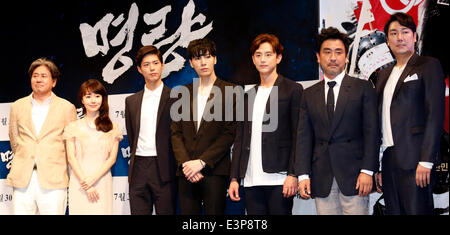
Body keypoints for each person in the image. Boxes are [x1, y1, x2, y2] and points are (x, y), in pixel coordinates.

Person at [296, 27, 379, 215]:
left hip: (355, 176)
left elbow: (372, 133)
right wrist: (302, 175)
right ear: (318, 57)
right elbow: (303, 138)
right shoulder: (308, 94)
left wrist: (367, 171)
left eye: (338, 52)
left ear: (346, 56)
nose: (333, 58)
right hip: (321, 177)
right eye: (327, 52)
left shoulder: (363, 88)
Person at [375, 12, 445, 215]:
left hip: (416, 159)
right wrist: (379, 165)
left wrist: (426, 160)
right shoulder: (383, 75)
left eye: (405, 32)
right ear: (387, 41)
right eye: (394, 33)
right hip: (388, 159)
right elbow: (380, 121)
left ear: (414, 36)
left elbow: (435, 114)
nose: (400, 37)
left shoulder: (428, 65)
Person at [228, 34, 302, 215]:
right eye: (258, 55)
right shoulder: (248, 95)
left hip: (280, 179)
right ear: (253, 59)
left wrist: (293, 174)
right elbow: (240, 139)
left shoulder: (292, 89)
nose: (263, 59)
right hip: (252, 180)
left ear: (278, 57)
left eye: (268, 54)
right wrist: (234, 178)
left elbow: (299, 135)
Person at [170, 38, 237, 215]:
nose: (203, 62)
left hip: (214, 171)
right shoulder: (183, 93)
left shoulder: (231, 91)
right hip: (187, 173)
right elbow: (175, 133)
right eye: (197, 58)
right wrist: (186, 164)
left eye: (207, 57)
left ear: (215, 59)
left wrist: (201, 162)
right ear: (191, 63)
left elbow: (229, 134)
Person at [7, 57, 77, 215]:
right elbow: (15, 140)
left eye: (44, 76)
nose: (38, 79)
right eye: (35, 75)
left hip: (54, 179)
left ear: (54, 81)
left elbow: (71, 144)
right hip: (23, 178)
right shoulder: (17, 106)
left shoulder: (67, 108)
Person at [125, 45, 177, 215]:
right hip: (138, 167)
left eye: (155, 63)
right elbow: (132, 135)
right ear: (139, 69)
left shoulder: (176, 98)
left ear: (162, 65)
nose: (152, 68)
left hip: (165, 168)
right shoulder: (131, 101)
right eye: (146, 65)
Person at [63, 79, 122, 215]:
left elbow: (112, 159)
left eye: (97, 96)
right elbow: (71, 158)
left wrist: (93, 180)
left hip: (101, 181)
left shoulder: (113, 128)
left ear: (103, 99)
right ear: (82, 100)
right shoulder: (73, 127)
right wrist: (86, 183)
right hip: (79, 183)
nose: (93, 100)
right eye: (88, 96)